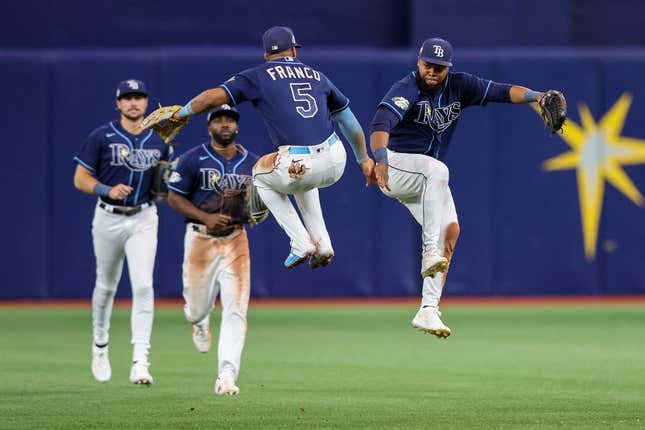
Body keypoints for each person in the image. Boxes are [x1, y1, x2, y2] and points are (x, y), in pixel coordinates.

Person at [369, 38, 562, 338]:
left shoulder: (460, 85)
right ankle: (428, 251)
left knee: (451, 231)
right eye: (427, 65)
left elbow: (501, 91)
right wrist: (380, 159)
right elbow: (380, 125)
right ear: (418, 63)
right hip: (394, 167)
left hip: (423, 179)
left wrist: (536, 96)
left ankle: (428, 310)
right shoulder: (406, 89)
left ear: (449, 68)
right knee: (438, 170)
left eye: (439, 67)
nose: (432, 71)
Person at [167, 26, 374, 269]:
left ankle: (300, 243)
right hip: (336, 159)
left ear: (266, 55)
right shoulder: (318, 76)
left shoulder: (258, 75)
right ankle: (323, 243)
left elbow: (211, 99)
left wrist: (182, 113)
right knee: (303, 182)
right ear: (294, 51)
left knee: (260, 175)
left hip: (299, 163)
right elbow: (350, 123)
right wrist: (363, 160)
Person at [73, 79, 172, 384]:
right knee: (106, 286)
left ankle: (140, 361)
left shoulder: (159, 139)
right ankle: (100, 345)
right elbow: (80, 178)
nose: (133, 102)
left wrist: (170, 164)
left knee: (143, 286)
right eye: (127, 98)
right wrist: (106, 189)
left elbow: (164, 185)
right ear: (118, 104)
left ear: (146, 103)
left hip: (143, 217)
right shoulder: (101, 136)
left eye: (139, 97)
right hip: (108, 218)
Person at [166, 105, 256, 396]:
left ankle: (226, 375)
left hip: (236, 240)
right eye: (219, 120)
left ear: (237, 126)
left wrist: (259, 208)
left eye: (230, 119)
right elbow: (174, 197)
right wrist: (205, 217)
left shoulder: (252, 163)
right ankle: (199, 321)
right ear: (209, 127)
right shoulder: (192, 159)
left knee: (236, 309)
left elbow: (264, 199)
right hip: (200, 238)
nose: (225, 124)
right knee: (195, 308)